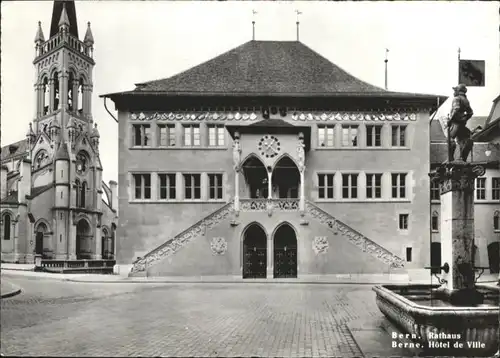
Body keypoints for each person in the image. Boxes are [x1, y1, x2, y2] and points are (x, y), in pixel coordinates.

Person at [448, 84, 474, 162]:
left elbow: (456, 109)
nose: (453, 92)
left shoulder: (456, 98)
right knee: (464, 140)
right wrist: (464, 119)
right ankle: (462, 159)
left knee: (450, 139)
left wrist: (450, 120)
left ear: (458, 91)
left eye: (454, 90)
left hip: (455, 123)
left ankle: (451, 159)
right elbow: (470, 113)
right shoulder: (466, 100)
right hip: (462, 124)